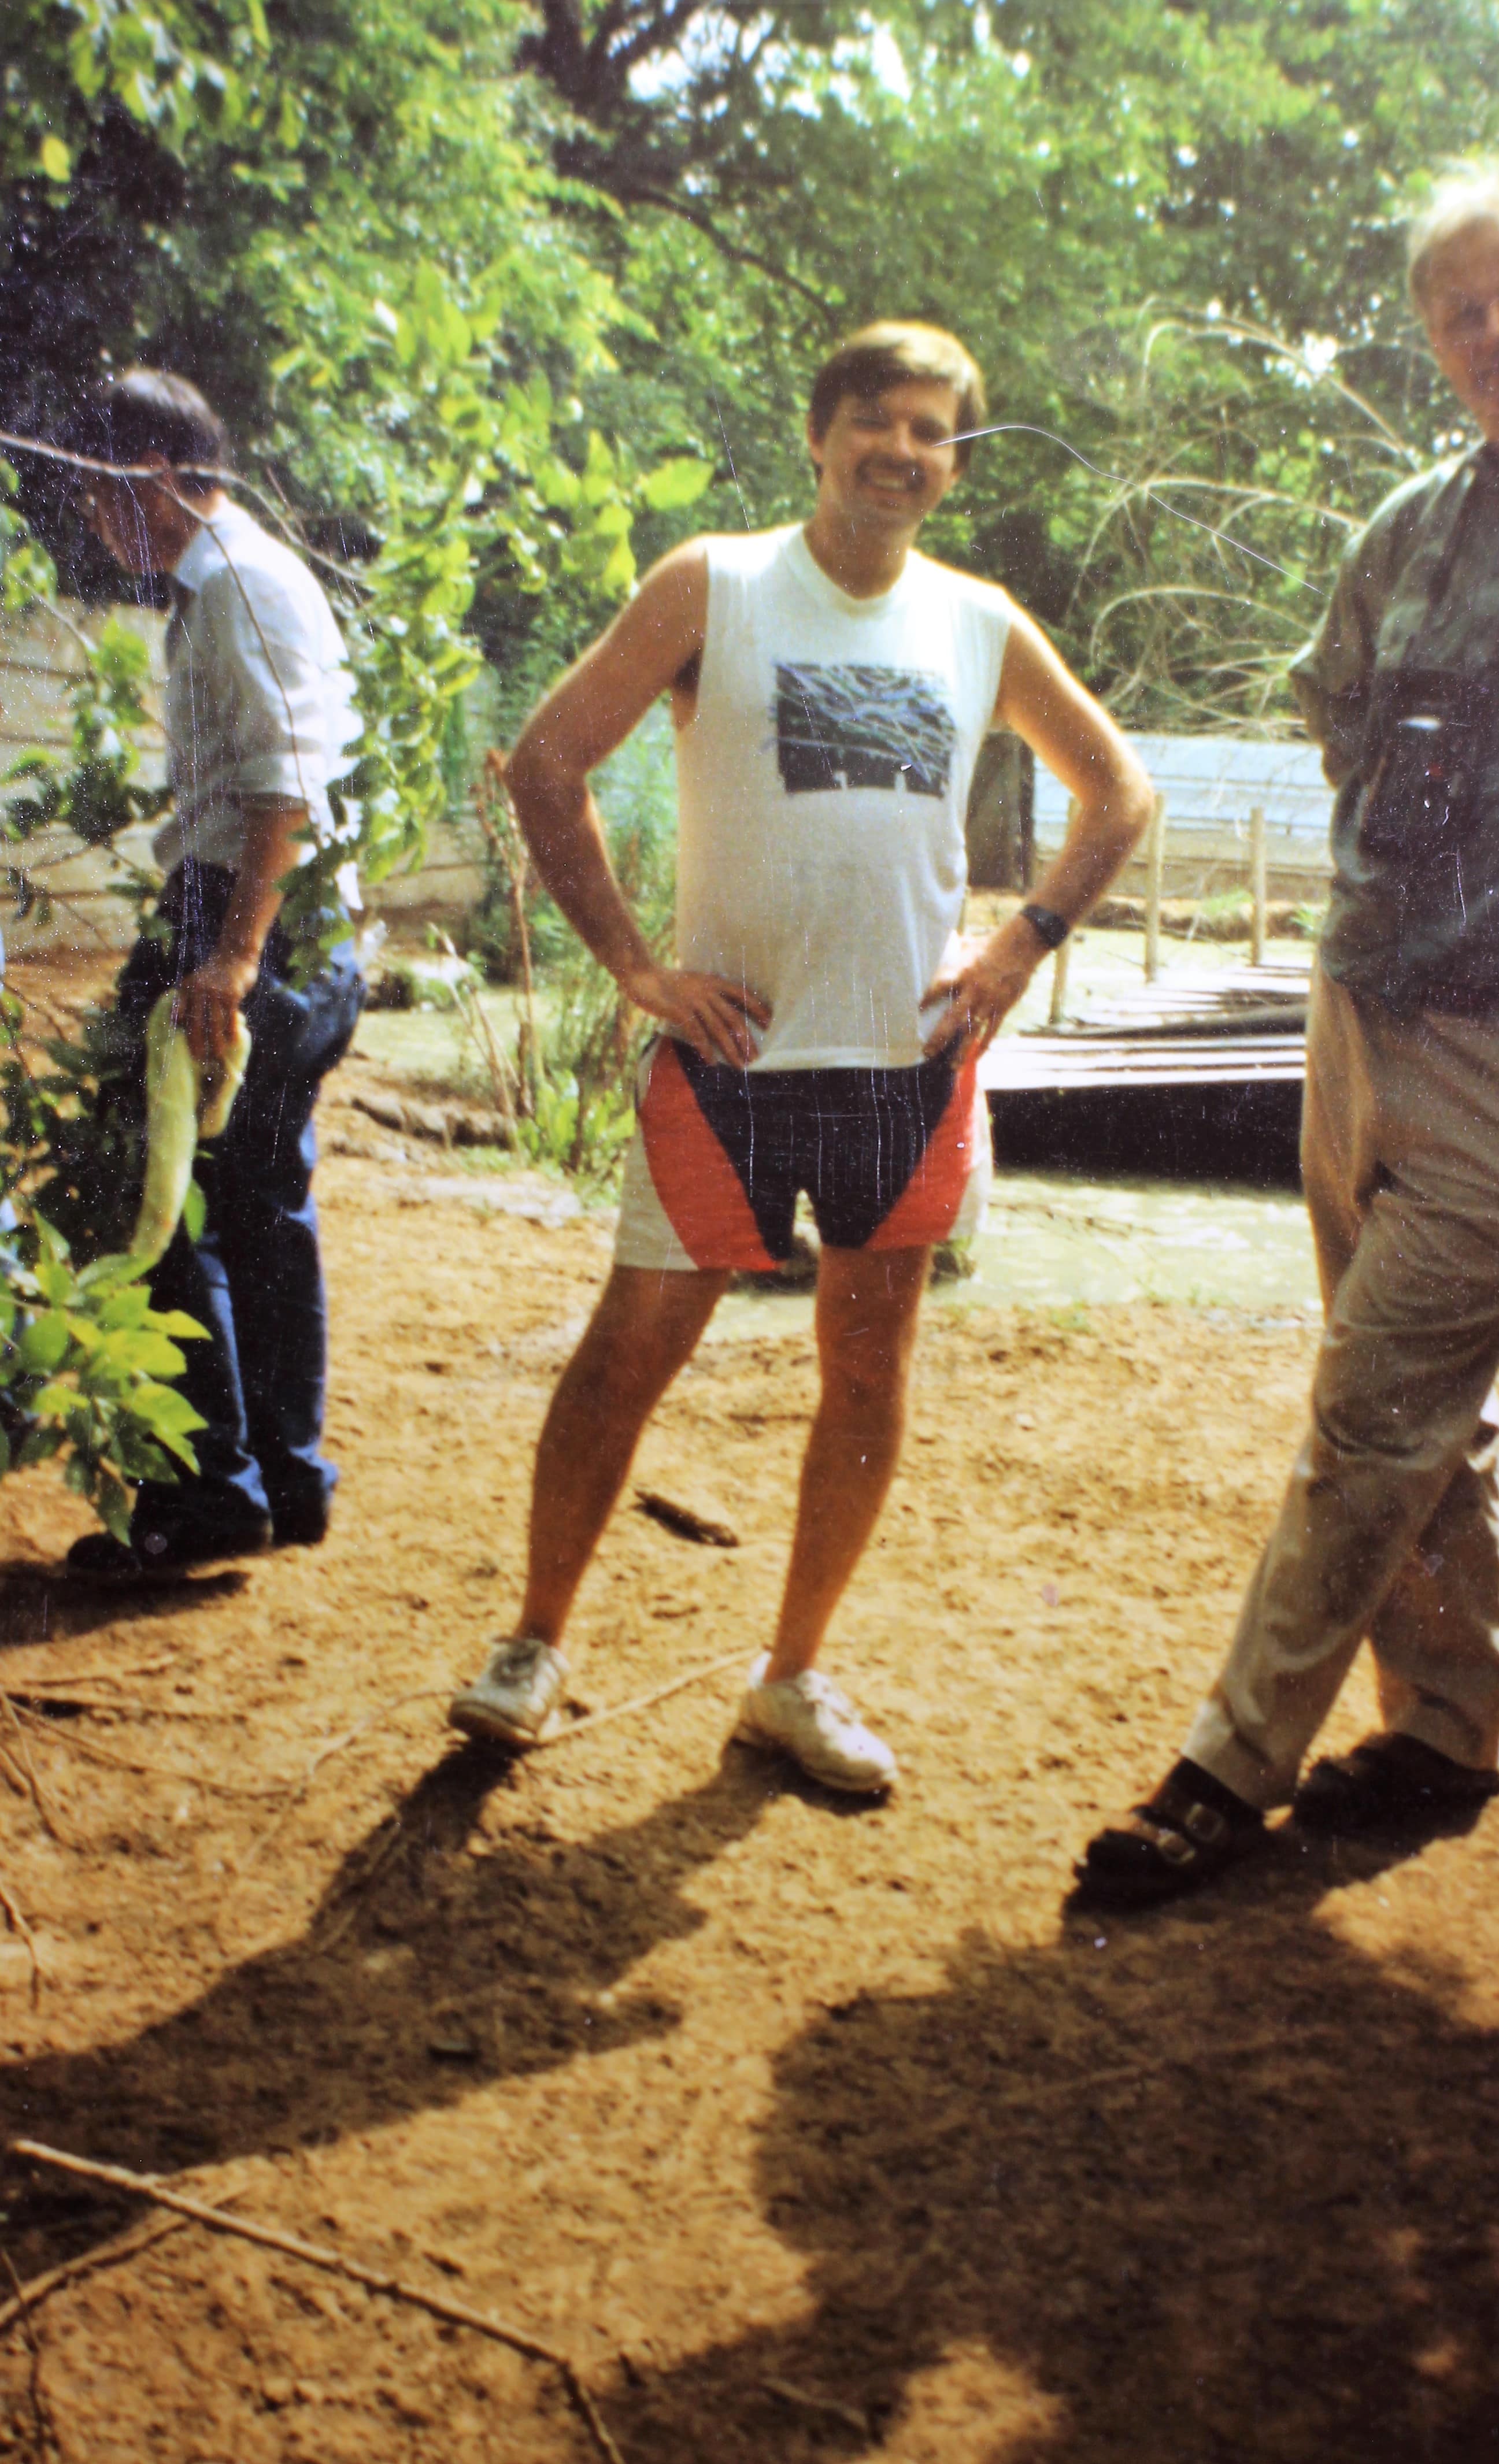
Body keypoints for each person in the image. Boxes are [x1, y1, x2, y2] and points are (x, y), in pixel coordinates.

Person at [1077, 158, 1499, 1903]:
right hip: (1362, 1010)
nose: (1498, 334)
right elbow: (1343, 727)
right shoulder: (1410, 524)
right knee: (1420, 1408)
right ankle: (1448, 1726)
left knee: (1368, 1409)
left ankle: (1231, 1767)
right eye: (1462, 313)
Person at [451, 321, 1153, 1789]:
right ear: (822, 433)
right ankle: (532, 1641)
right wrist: (636, 967)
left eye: (936, 434)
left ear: (956, 463)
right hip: (732, 1064)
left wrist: (1023, 943)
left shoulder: (979, 622)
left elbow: (1119, 794)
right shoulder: (717, 584)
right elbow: (548, 757)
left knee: (867, 1372)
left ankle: (792, 1676)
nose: (905, 453)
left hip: (905, 1067)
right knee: (626, 1353)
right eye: (880, 422)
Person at [60, 368, 365, 1572]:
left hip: (251, 921)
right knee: (260, 1210)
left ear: (147, 478)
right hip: (292, 922)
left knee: (151, 1191)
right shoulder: (231, 579)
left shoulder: (234, 583)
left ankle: (209, 1492)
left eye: (95, 496)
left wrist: (231, 958)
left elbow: (284, 788)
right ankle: (286, 1481)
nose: (91, 522)